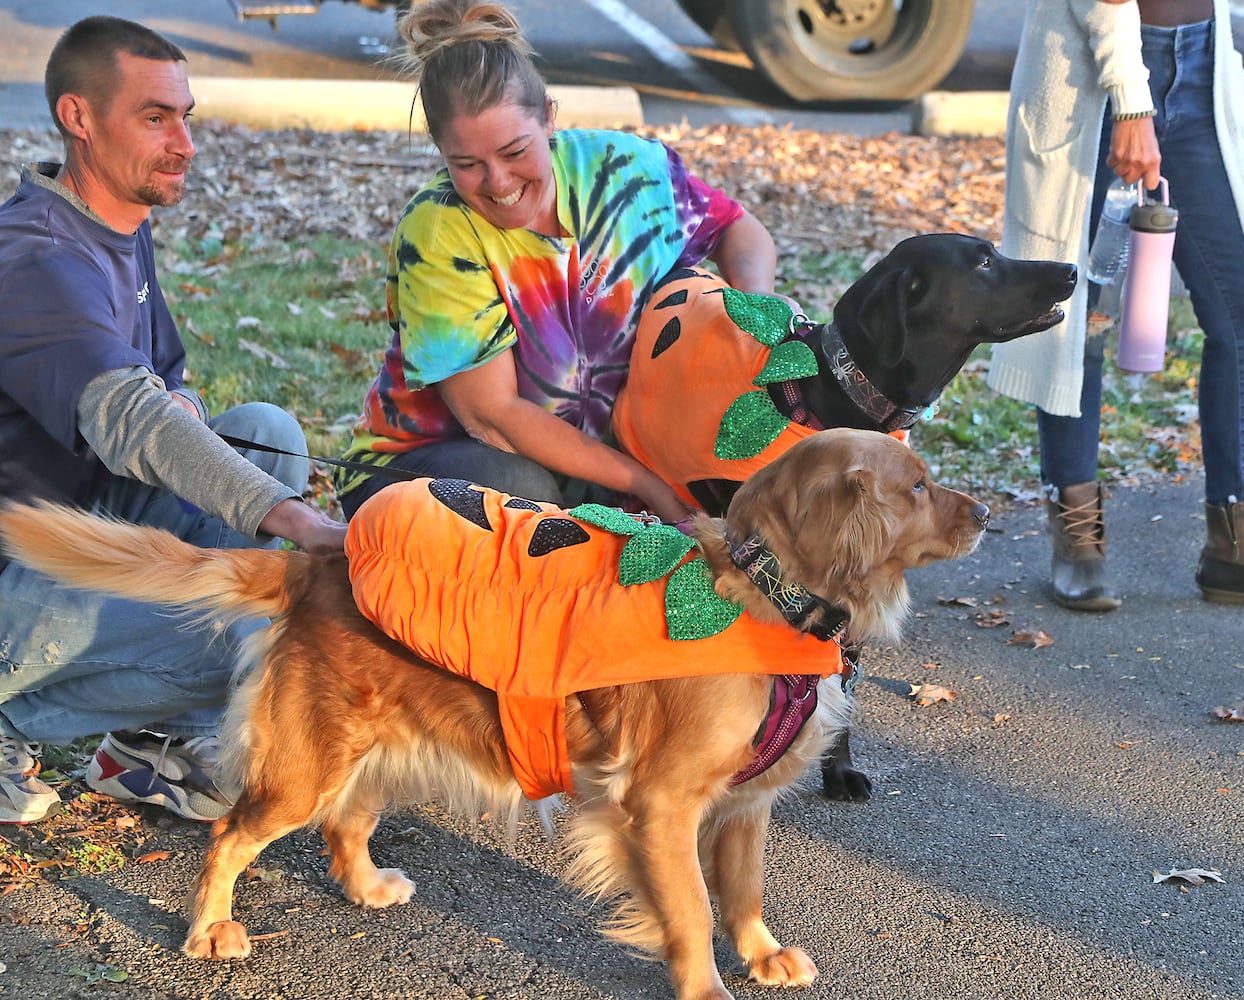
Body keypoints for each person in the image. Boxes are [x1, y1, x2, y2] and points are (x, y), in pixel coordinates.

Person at [0, 16, 347, 825]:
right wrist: (298, 520)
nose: (184, 142)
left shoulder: (118, 221)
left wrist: (182, 405)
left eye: (184, 116)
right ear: (78, 118)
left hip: (81, 525)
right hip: (18, 569)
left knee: (270, 431)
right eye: (155, 118)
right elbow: (131, 417)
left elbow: (164, 389)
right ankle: (11, 716)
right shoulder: (36, 258)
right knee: (255, 631)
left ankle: (150, 746)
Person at [335, 0, 787, 524]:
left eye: (514, 151)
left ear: (549, 116)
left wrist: (760, 320)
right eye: (467, 164)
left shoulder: (627, 171)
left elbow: (736, 228)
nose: (499, 183)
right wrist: (644, 484)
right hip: (423, 469)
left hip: (596, 458)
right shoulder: (437, 230)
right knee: (523, 492)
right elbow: (494, 420)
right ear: (441, 153)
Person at [987, 0, 1244, 610]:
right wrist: (1133, 101)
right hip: (1087, 80)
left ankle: (1238, 535)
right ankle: (1077, 536)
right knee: (1078, 317)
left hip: (1201, 66)